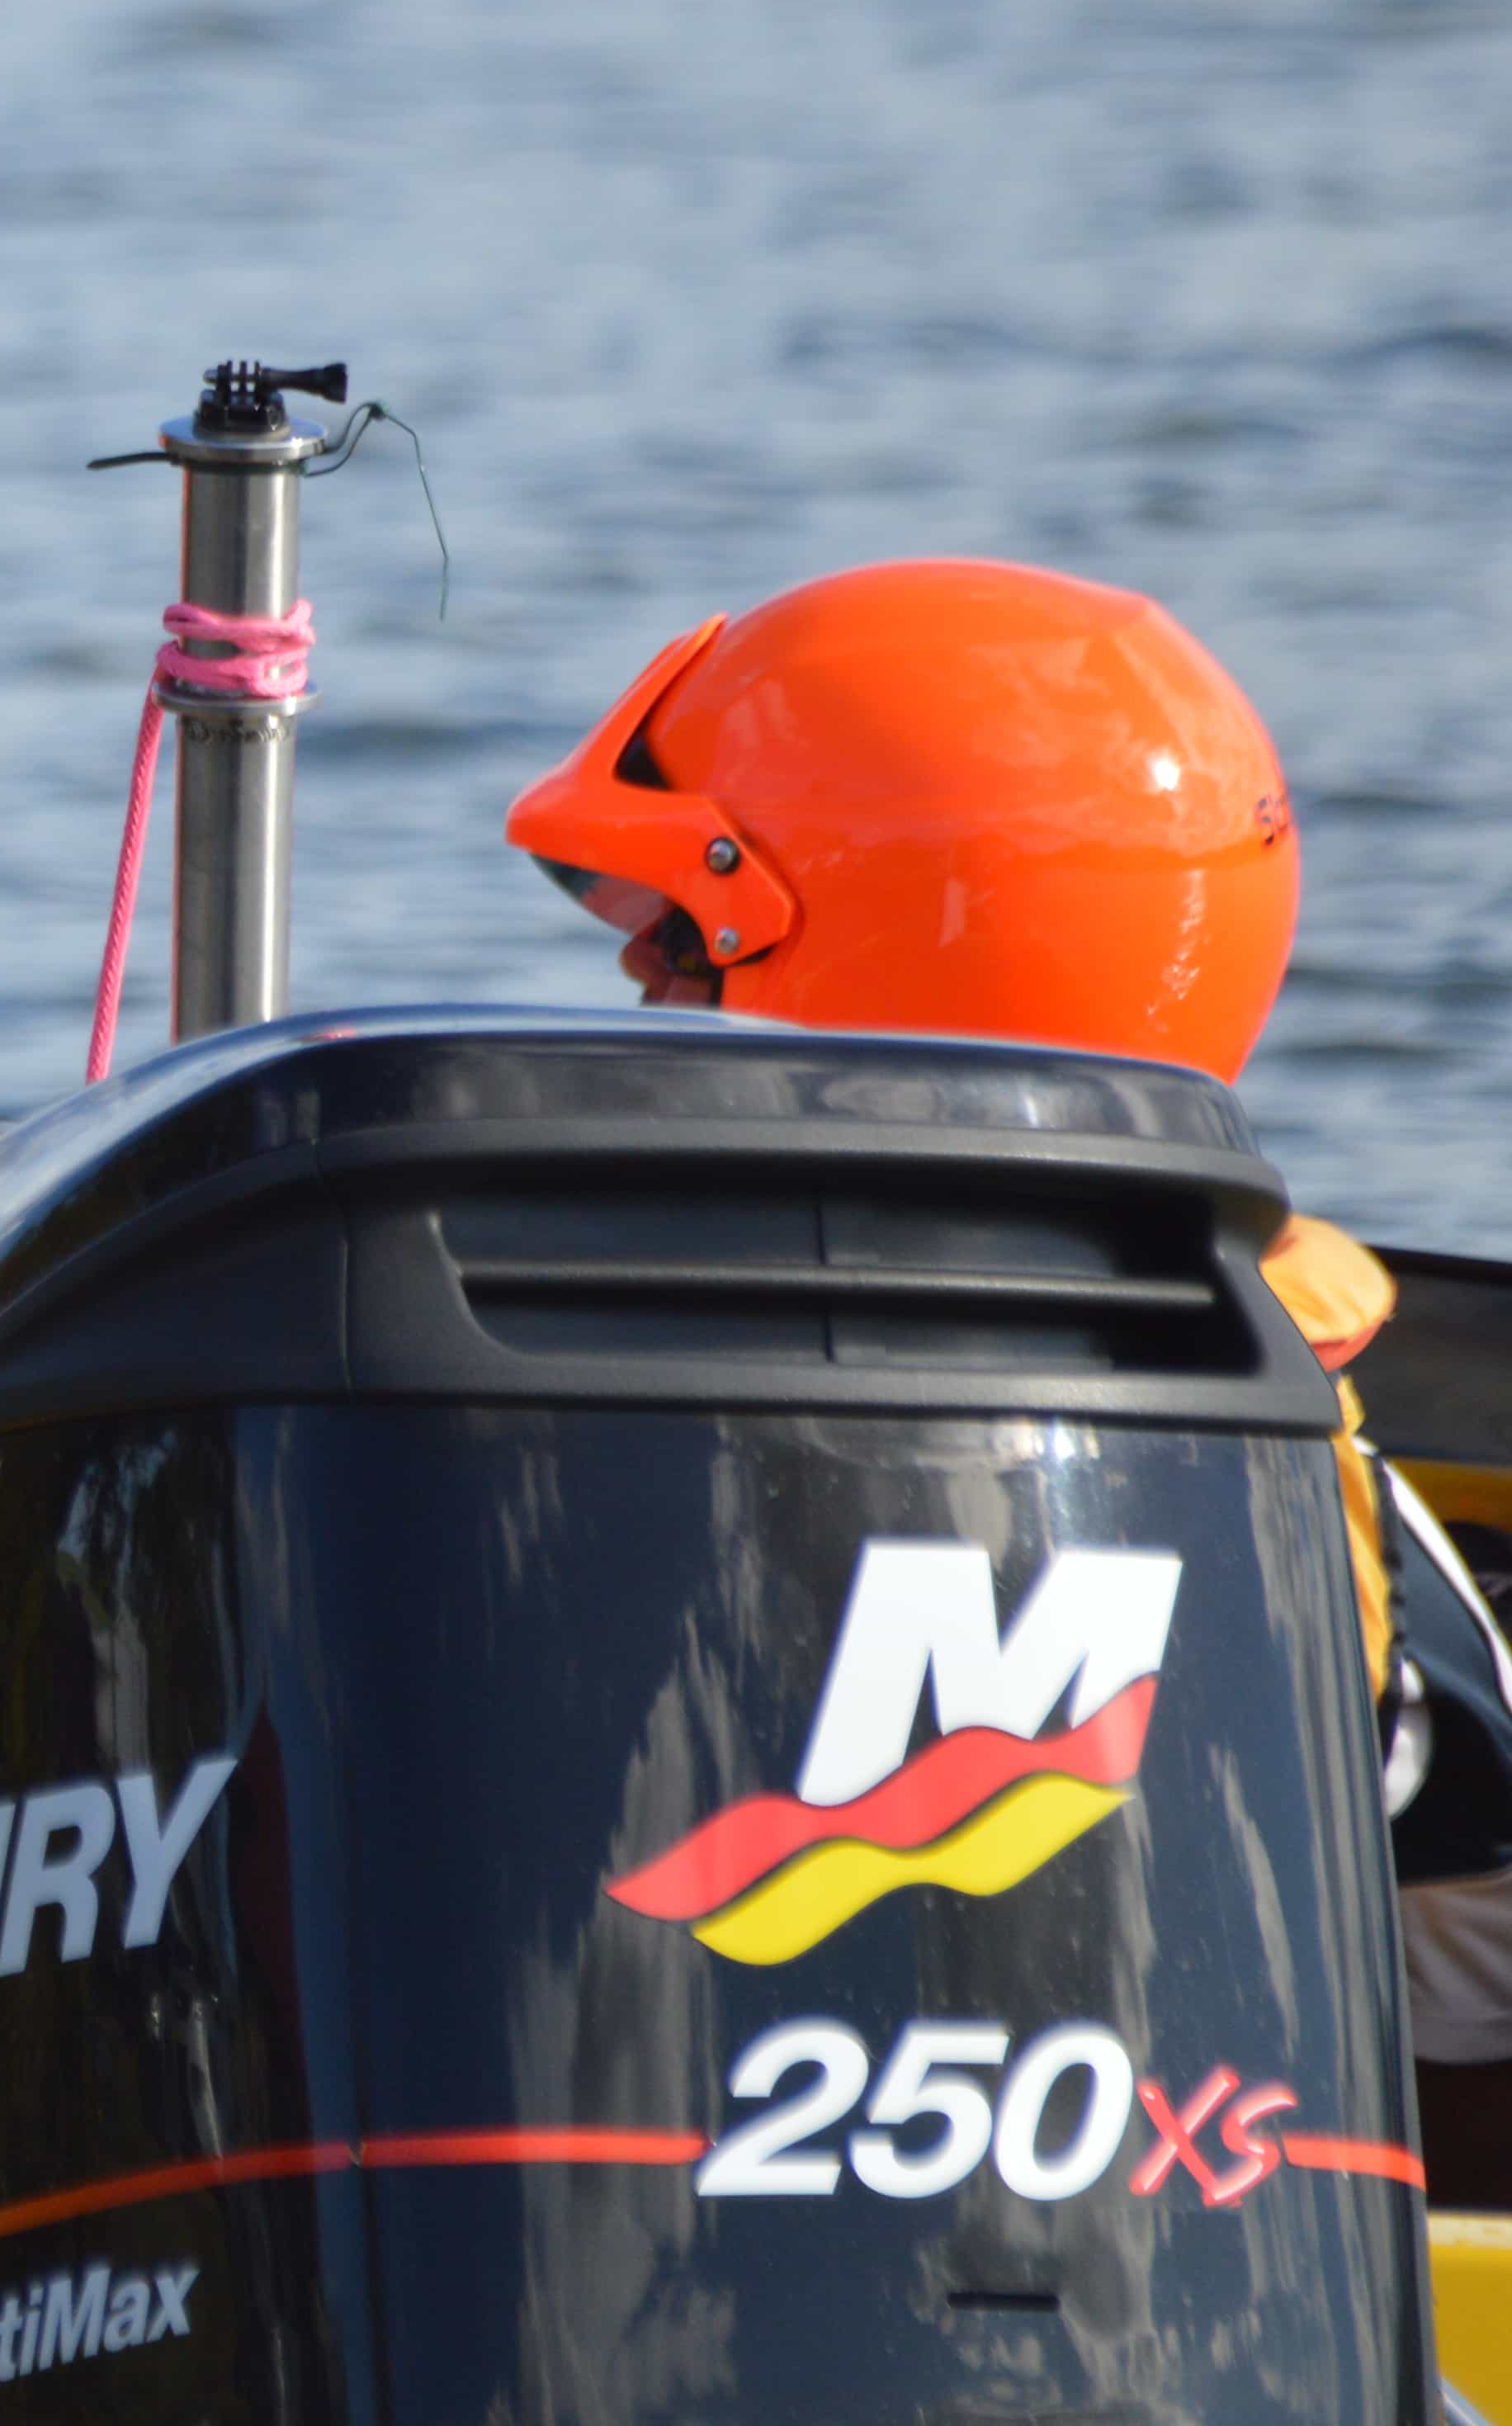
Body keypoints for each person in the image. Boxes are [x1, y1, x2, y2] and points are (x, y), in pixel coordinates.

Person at [503, 556, 1512, 2164]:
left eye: (685, 928)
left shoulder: (1250, 1436)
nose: (636, 976)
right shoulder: (1233, 1360)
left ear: (896, 946)